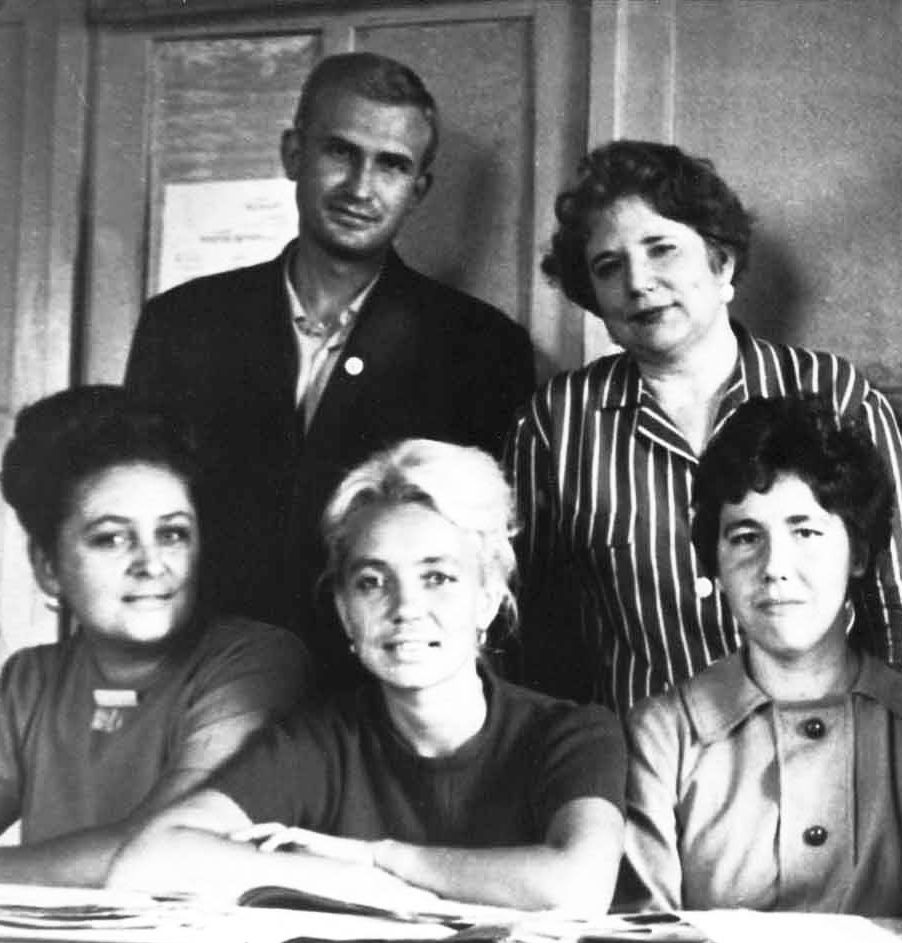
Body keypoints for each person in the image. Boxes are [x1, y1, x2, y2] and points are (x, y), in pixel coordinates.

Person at [125, 52, 535, 690]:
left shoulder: (481, 346)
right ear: (293, 154)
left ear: (418, 189)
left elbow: (490, 564)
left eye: (392, 165)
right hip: (203, 688)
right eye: (340, 152)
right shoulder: (182, 323)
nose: (360, 188)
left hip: (380, 705)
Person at [508, 139, 902, 712]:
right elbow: (516, 620)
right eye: (608, 267)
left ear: (721, 263)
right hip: (643, 755)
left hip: (826, 746)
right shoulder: (558, 422)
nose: (638, 282)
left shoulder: (834, 393)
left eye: (662, 250)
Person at [110, 440, 627, 913]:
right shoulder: (320, 741)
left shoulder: (572, 733)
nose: (406, 608)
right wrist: (346, 880)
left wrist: (382, 858)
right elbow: (143, 861)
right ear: (344, 610)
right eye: (372, 582)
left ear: (488, 598)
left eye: (437, 577)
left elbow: (578, 889)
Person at [625, 397, 902, 926]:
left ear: (857, 553)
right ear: (715, 565)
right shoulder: (661, 739)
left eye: (807, 532)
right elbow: (640, 934)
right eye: (745, 537)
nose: (774, 566)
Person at [0, 385, 309, 886]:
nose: (151, 564)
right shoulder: (29, 680)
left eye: (172, 534)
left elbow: (150, 851)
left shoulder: (255, 663)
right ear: (48, 567)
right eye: (111, 538)